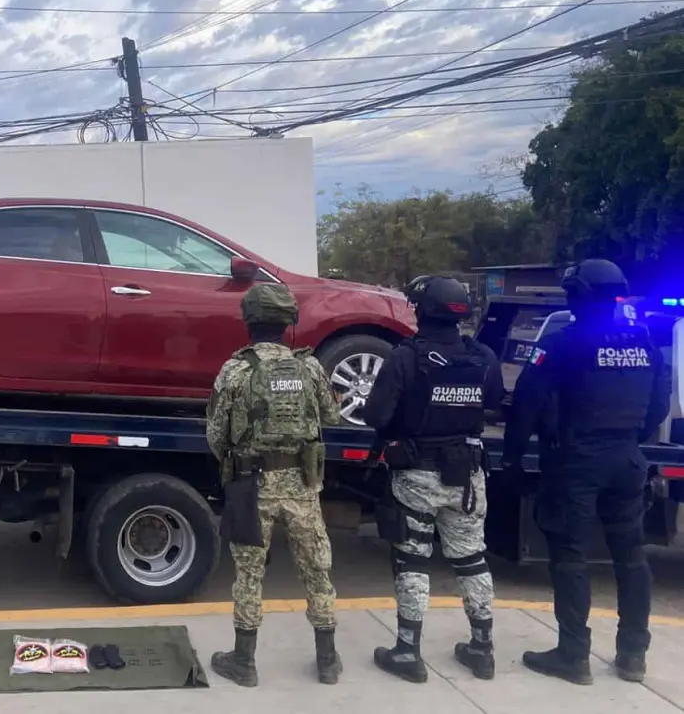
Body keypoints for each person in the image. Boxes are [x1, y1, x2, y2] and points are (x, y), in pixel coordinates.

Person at [504, 259, 670, 685]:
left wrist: (513, 460)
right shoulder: (644, 341)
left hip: (577, 460)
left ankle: (573, 655)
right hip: (626, 458)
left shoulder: (564, 343)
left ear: (577, 294)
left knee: (570, 558)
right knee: (631, 557)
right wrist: (628, 435)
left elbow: (526, 405)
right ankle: (633, 655)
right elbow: (658, 406)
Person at [361, 276, 504, 683]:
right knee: (472, 559)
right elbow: (493, 405)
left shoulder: (405, 357)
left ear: (422, 310)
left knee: (412, 559)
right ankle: (482, 649)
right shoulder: (484, 356)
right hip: (467, 477)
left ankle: (408, 651)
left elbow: (375, 416)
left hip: (417, 473)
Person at [205, 282, 343, 688]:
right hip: (302, 483)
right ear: (288, 323)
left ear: (248, 321)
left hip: (252, 486)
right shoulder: (310, 367)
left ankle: (244, 662)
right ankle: (328, 661)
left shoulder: (236, 369)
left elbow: (215, 433)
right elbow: (332, 416)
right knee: (318, 571)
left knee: (248, 575)